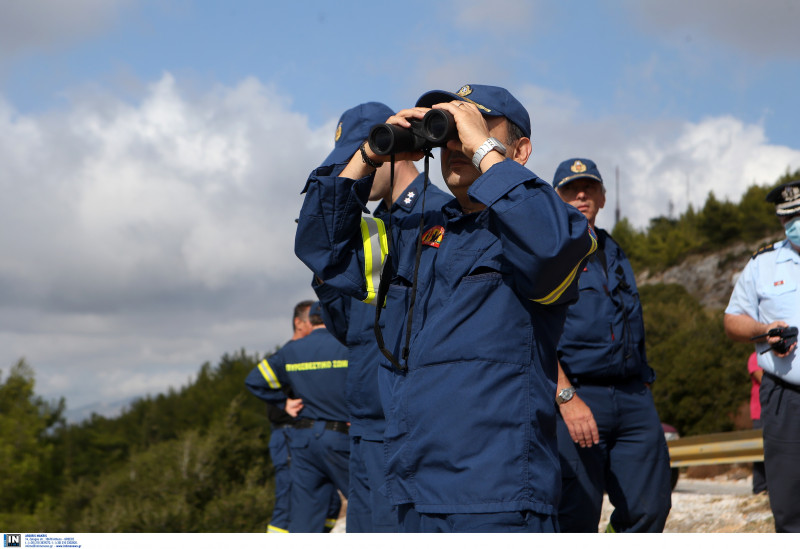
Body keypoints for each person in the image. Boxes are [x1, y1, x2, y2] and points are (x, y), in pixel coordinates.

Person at [296, 84, 596, 532]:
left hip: (495, 494)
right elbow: (321, 248)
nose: (455, 142)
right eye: (449, 129)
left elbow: (552, 246)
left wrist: (484, 150)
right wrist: (368, 157)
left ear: (521, 149)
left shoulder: (545, 229)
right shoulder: (415, 235)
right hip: (411, 491)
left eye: (473, 123)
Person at [310, 102, 452, 532]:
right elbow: (343, 325)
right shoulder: (367, 232)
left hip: (416, 431)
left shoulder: (444, 221)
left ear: (393, 147)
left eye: (365, 157)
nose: (356, 170)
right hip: (367, 428)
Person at [550, 158, 672, 532]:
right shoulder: (547, 253)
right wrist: (566, 398)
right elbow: (530, 332)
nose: (581, 194)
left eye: (589, 188)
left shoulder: (615, 250)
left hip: (634, 398)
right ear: (556, 198)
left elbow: (630, 320)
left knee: (650, 509)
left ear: (603, 197)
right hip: (579, 398)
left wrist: (645, 381)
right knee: (577, 515)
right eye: (571, 189)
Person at [724, 179, 800, 532]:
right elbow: (731, 321)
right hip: (785, 396)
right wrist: (764, 331)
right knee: (788, 505)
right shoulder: (762, 264)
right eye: (789, 219)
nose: (795, 224)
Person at [245, 302, 350, 533]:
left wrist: (283, 402)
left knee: (304, 516)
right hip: (340, 436)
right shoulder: (347, 346)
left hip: (303, 441)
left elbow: (254, 379)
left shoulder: (292, 351)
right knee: (369, 500)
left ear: (310, 320)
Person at [747, 351, 767, 495]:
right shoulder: (755, 357)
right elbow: (762, 379)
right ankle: (760, 488)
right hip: (760, 411)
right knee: (760, 452)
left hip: (775, 410)